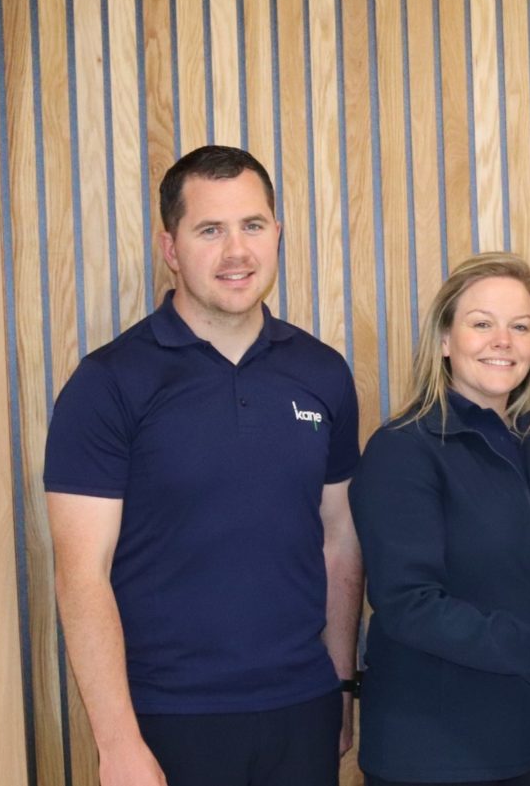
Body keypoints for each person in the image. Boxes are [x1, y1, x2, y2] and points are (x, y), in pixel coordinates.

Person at [45, 145, 362, 786]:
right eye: (209, 230)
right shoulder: (109, 382)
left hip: (301, 708)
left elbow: (339, 542)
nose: (236, 251)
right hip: (166, 718)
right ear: (171, 247)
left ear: (278, 233)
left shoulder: (323, 372)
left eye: (252, 225)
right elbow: (82, 574)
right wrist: (117, 743)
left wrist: (339, 686)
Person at [349, 253, 530, 786]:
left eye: (520, 326)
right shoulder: (403, 451)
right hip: (436, 757)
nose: (504, 340)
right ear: (445, 340)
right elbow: (409, 604)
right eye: (481, 324)